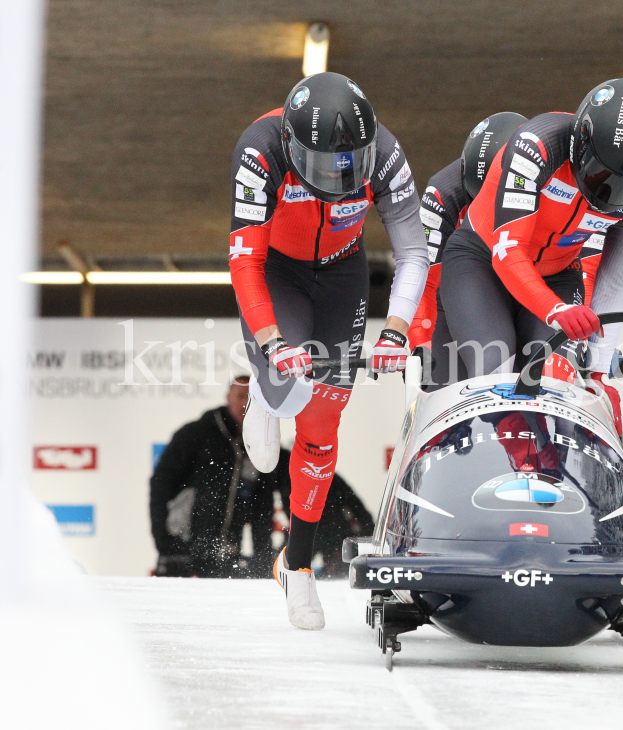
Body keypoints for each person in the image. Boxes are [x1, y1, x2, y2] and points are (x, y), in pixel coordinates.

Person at [228, 72, 428, 628]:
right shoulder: (260, 149)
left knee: (321, 427)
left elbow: (413, 252)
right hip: (277, 275)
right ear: (293, 147)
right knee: (289, 390)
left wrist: (396, 328)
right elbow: (244, 260)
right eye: (318, 169)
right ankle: (267, 398)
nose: (334, 182)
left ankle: (296, 567)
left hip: (343, 275)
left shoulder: (386, 155)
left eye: (346, 168)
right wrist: (271, 341)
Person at [437, 78, 623, 435]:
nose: (614, 194)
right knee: (496, 371)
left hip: (559, 273)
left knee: (554, 382)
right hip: (482, 263)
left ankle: (550, 473)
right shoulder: (536, 147)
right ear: (582, 144)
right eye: (603, 174)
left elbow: (617, 274)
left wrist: (597, 368)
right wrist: (556, 309)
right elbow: (508, 250)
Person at [406, 111, 528, 388]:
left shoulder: (550, 182)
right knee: (455, 375)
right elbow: (421, 271)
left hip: (530, 282)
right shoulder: (442, 193)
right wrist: (420, 340)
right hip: (465, 288)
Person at [149, 376, 290, 578]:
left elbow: (262, 506)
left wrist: (262, 557)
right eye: (240, 396)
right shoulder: (196, 434)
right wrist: (164, 541)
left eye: (251, 399)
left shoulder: (260, 446)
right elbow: (160, 485)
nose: (245, 404)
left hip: (227, 555)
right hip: (181, 551)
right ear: (228, 397)